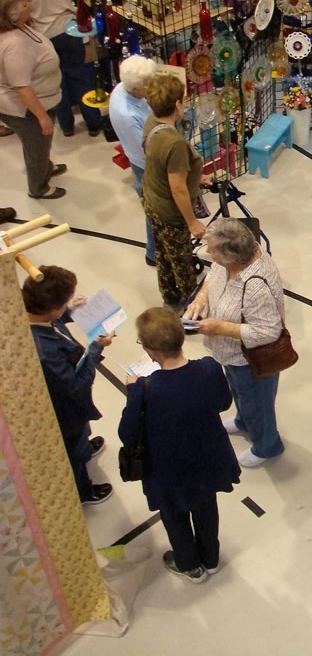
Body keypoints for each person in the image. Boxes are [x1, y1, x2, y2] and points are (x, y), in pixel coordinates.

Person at [119, 308, 240, 584]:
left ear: (150, 351)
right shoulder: (210, 369)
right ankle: (211, 559)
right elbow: (223, 403)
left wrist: (132, 393)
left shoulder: (144, 390)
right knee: (207, 508)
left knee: (174, 517)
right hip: (208, 459)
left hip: (169, 471)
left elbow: (127, 433)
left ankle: (189, 565)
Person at [184, 219, 287, 467]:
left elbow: (268, 331)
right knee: (240, 392)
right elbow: (213, 276)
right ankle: (242, 420)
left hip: (251, 358)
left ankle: (266, 446)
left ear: (232, 256)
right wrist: (200, 299)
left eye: (211, 249)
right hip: (230, 352)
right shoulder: (229, 262)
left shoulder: (256, 285)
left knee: (258, 403)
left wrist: (220, 327)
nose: (207, 252)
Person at [23, 266, 112, 504]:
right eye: (65, 303)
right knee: (72, 450)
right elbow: (76, 386)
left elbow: (53, 321)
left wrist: (69, 312)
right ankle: (84, 491)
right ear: (52, 308)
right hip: (64, 408)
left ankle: (85, 447)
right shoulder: (45, 352)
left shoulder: (34, 316)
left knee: (80, 435)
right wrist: (96, 347)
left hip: (70, 402)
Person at [10, 0, 100, 136]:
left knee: (55, 81)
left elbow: (14, 2)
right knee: (81, 74)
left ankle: (66, 125)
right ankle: (93, 121)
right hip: (68, 28)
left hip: (40, 36)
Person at [142, 73, 208, 309]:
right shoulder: (175, 143)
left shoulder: (152, 125)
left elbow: (160, 164)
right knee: (181, 260)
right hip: (171, 212)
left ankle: (170, 296)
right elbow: (178, 188)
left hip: (152, 201)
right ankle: (192, 306)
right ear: (178, 105)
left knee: (164, 255)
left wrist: (197, 177)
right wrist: (192, 222)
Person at [0, 0, 67, 199]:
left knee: (41, 144)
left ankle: (45, 166)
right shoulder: (14, 45)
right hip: (25, 110)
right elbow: (22, 86)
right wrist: (41, 116)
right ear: (12, 12)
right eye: (24, 2)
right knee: (36, 147)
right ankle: (39, 187)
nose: (29, 4)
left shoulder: (19, 28)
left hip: (38, 104)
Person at [109, 55, 157, 266]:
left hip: (142, 158)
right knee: (155, 211)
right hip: (146, 166)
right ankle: (153, 254)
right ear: (137, 88)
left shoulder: (123, 87)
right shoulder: (127, 115)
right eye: (148, 85)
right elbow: (149, 150)